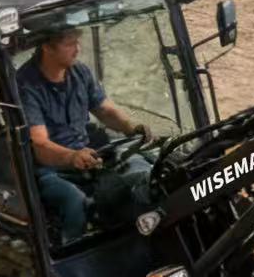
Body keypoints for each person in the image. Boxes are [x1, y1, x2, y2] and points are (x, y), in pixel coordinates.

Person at [17, 25, 153, 242]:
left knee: (143, 174)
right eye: (70, 44)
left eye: (77, 42)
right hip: (50, 171)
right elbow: (40, 146)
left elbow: (105, 110)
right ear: (47, 47)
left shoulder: (80, 72)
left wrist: (131, 126)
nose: (77, 49)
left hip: (88, 157)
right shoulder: (26, 85)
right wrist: (72, 157)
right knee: (75, 201)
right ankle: (71, 254)